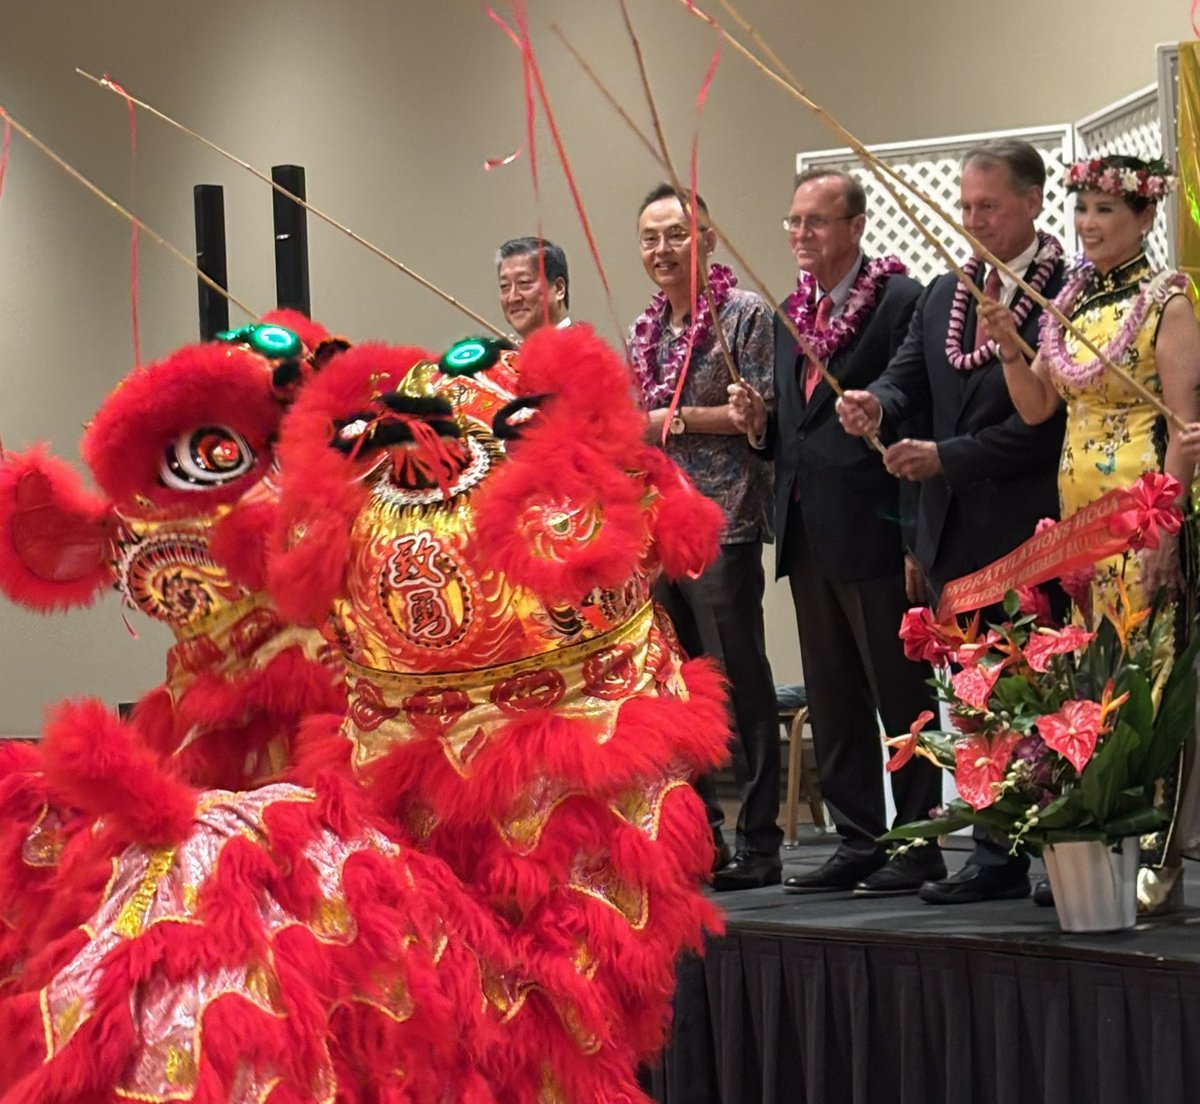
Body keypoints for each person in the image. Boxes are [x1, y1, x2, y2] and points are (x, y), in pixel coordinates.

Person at [837, 139, 1068, 905]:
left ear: (1034, 201)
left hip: (1030, 529)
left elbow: (1042, 429)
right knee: (972, 699)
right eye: (965, 207)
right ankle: (993, 850)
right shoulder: (944, 292)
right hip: (948, 532)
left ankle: (1057, 848)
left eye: (989, 207)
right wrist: (876, 403)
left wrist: (948, 457)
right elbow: (908, 378)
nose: (973, 221)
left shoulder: (1063, 292)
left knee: (1043, 698)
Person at [980, 153, 1200, 914]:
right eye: (1083, 210)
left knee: (1154, 676)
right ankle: (1104, 837)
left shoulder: (1167, 299)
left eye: (1108, 210)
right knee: (1092, 679)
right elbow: (1039, 406)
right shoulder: (1067, 297)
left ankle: (1161, 859)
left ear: (1144, 218)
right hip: (1078, 513)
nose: (1091, 224)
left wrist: (1166, 530)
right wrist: (1010, 339)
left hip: (1141, 509)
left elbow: (1186, 426)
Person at [727, 169, 944, 896]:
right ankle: (859, 837)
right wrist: (759, 427)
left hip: (877, 523)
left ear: (855, 227)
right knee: (834, 696)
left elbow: (914, 400)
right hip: (806, 523)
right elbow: (791, 431)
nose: (800, 236)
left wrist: (916, 531)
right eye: (793, 223)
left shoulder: (900, 300)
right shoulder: (794, 314)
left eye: (816, 222)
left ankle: (920, 840)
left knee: (897, 691)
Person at [630, 183, 781, 890]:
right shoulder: (646, 327)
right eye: (651, 238)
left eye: (676, 235)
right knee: (677, 685)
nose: (662, 250)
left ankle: (761, 838)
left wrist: (674, 419)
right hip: (658, 524)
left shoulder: (743, 314)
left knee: (739, 679)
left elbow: (756, 414)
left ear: (709, 238)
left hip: (724, 519)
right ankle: (703, 835)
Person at [496, 236, 571, 340]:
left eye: (524, 282)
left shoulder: (584, 352)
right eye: (504, 286)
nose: (512, 298)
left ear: (559, 288)